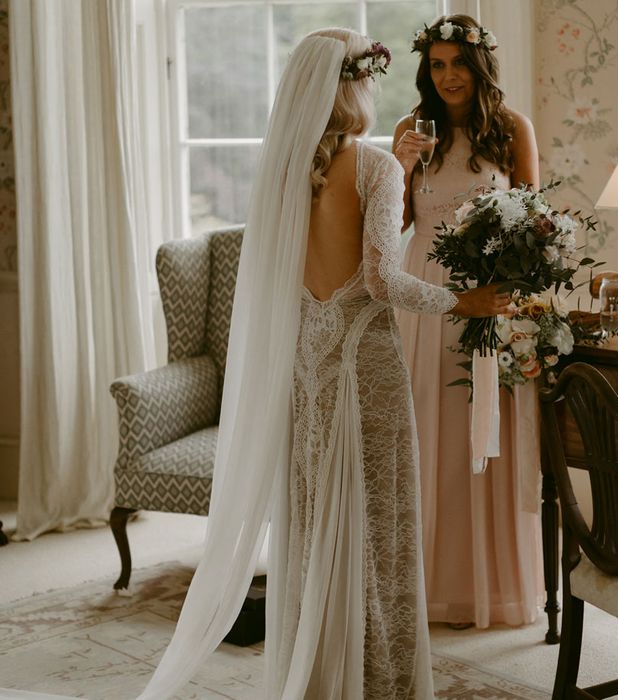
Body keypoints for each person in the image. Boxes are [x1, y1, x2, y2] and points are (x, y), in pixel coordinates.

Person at [0, 28, 515, 700]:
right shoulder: (375, 168)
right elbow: (383, 282)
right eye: (365, 76)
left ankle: (319, 672)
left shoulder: (283, 168)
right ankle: (375, 679)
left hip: (306, 369)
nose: (373, 86)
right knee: (379, 525)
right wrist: (464, 299)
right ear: (350, 84)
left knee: (311, 523)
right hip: (367, 367)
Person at [392, 14, 543, 630]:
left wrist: (509, 295)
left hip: (490, 296)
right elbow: (392, 222)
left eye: (458, 63)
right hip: (424, 297)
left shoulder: (510, 129)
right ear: (426, 70)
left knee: (488, 435)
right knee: (429, 433)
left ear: (479, 65)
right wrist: (399, 166)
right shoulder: (411, 129)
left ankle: (497, 589)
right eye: (437, 64)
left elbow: (536, 223)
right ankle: (432, 586)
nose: (448, 76)